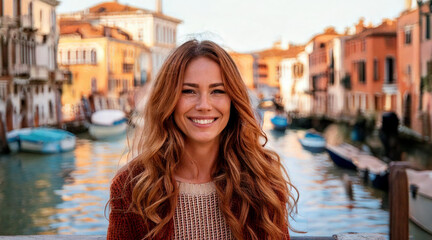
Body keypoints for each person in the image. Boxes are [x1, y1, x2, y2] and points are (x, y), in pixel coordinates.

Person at [107, 39, 298, 240]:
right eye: (189, 91)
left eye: (218, 91)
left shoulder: (263, 180)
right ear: (168, 99)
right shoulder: (131, 187)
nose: (204, 105)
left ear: (233, 100)